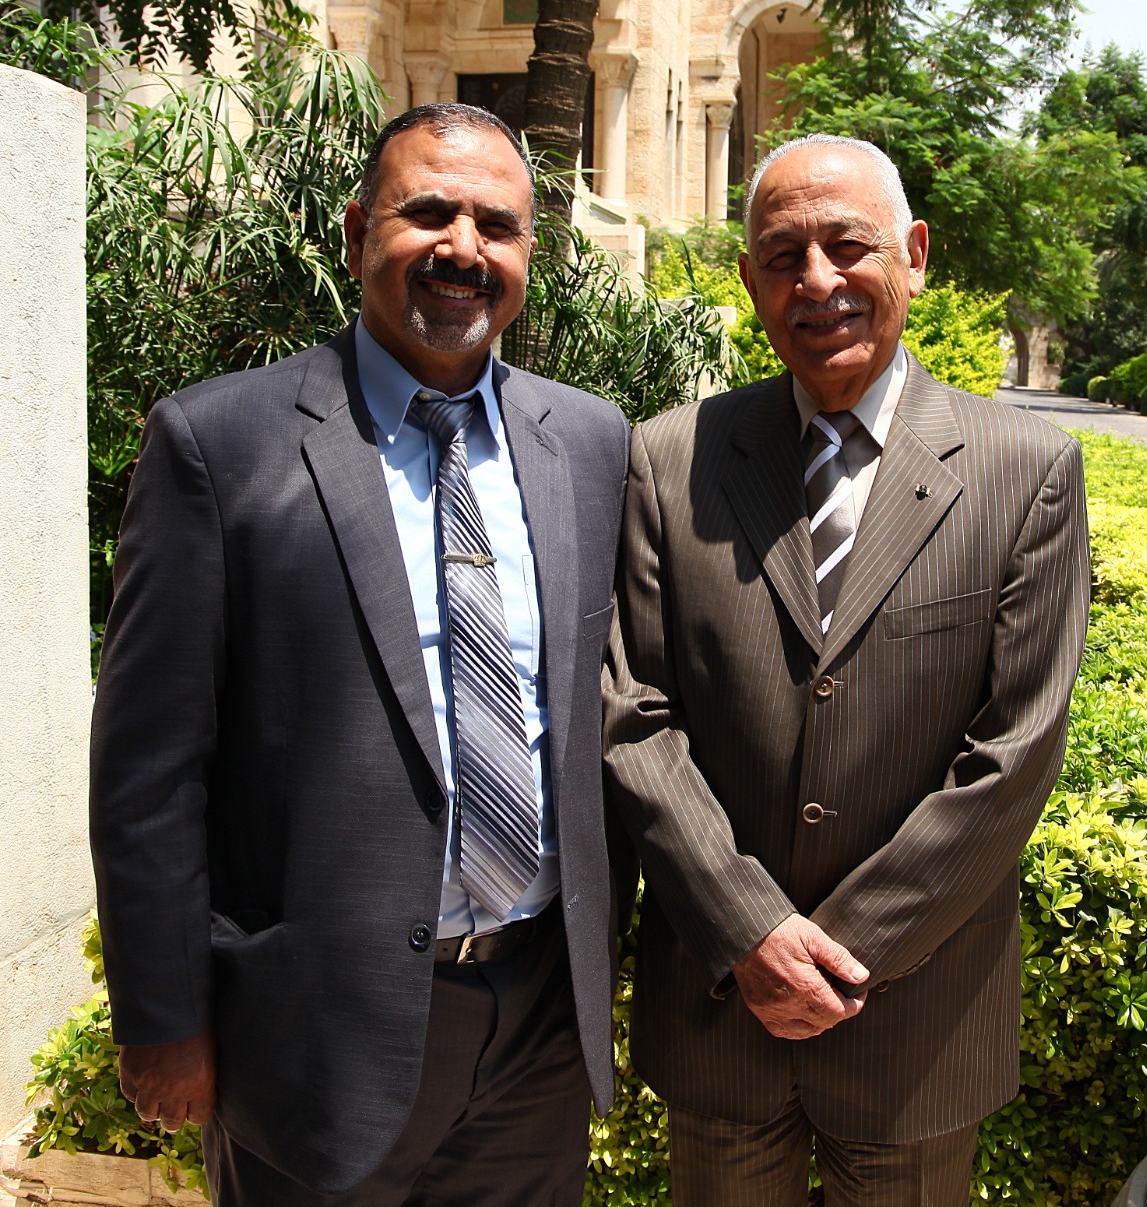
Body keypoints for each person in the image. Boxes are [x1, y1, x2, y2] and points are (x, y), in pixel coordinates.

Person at [89, 103, 630, 1206]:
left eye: (497, 225)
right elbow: (148, 766)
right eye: (427, 212)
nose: (462, 249)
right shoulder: (219, 443)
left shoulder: (588, 441)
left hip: (535, 1028)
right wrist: (162, 1014)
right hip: (316, 1033)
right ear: (355, 234)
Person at [603, 134, 1090, 1206]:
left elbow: (1013, 753)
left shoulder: (1026, 471)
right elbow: (634, 716)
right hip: (723, 1013)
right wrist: (749, 933)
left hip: (916, 1025)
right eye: (783, 256)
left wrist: (842, 951)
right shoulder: (670, 460)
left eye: (848, 245)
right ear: (749, 280)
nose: (816, 281)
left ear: (912, 253)